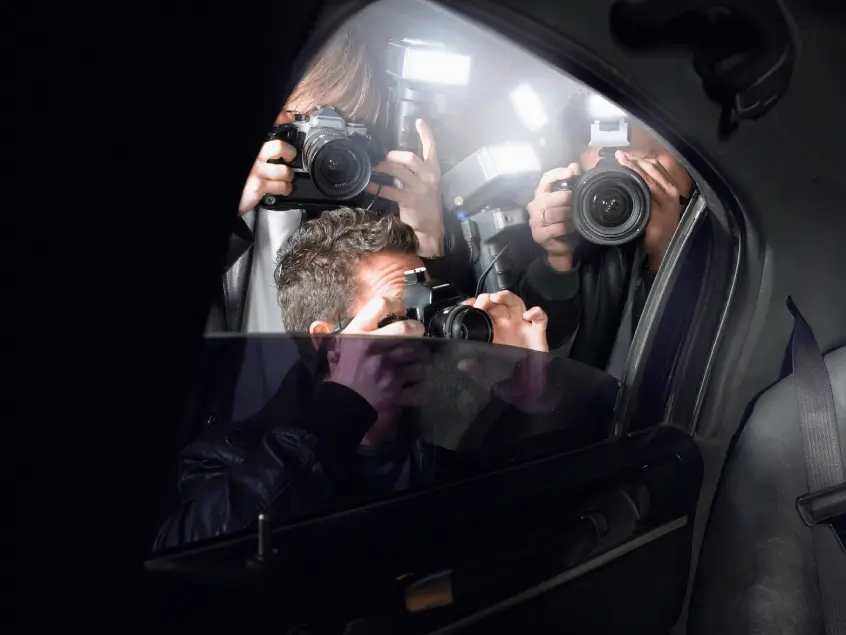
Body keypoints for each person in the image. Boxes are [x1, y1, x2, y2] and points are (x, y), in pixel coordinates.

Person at [155, 208, 551, 549]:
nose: (426, 333)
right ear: (330, 344)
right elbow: (194, 557)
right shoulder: (226, 455)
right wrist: (342, 405)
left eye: (429, 307)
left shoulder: (463, 414)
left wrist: (532, 401)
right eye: (401, 316)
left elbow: (537, 536)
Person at [212, 18, 469, 334]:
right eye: (317, 120)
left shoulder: (372, 204)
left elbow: (433, 337)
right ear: (281, 114)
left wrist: (427, 234)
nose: (335, 145)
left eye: (350, 128)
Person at [518, 89, 694, 372]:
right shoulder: (589, 246)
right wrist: (558, 260)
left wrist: (666, 256)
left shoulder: (737, 241)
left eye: (647, 157)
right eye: (607, 167)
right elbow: (545, 365)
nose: (626, 180)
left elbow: (676, 367)